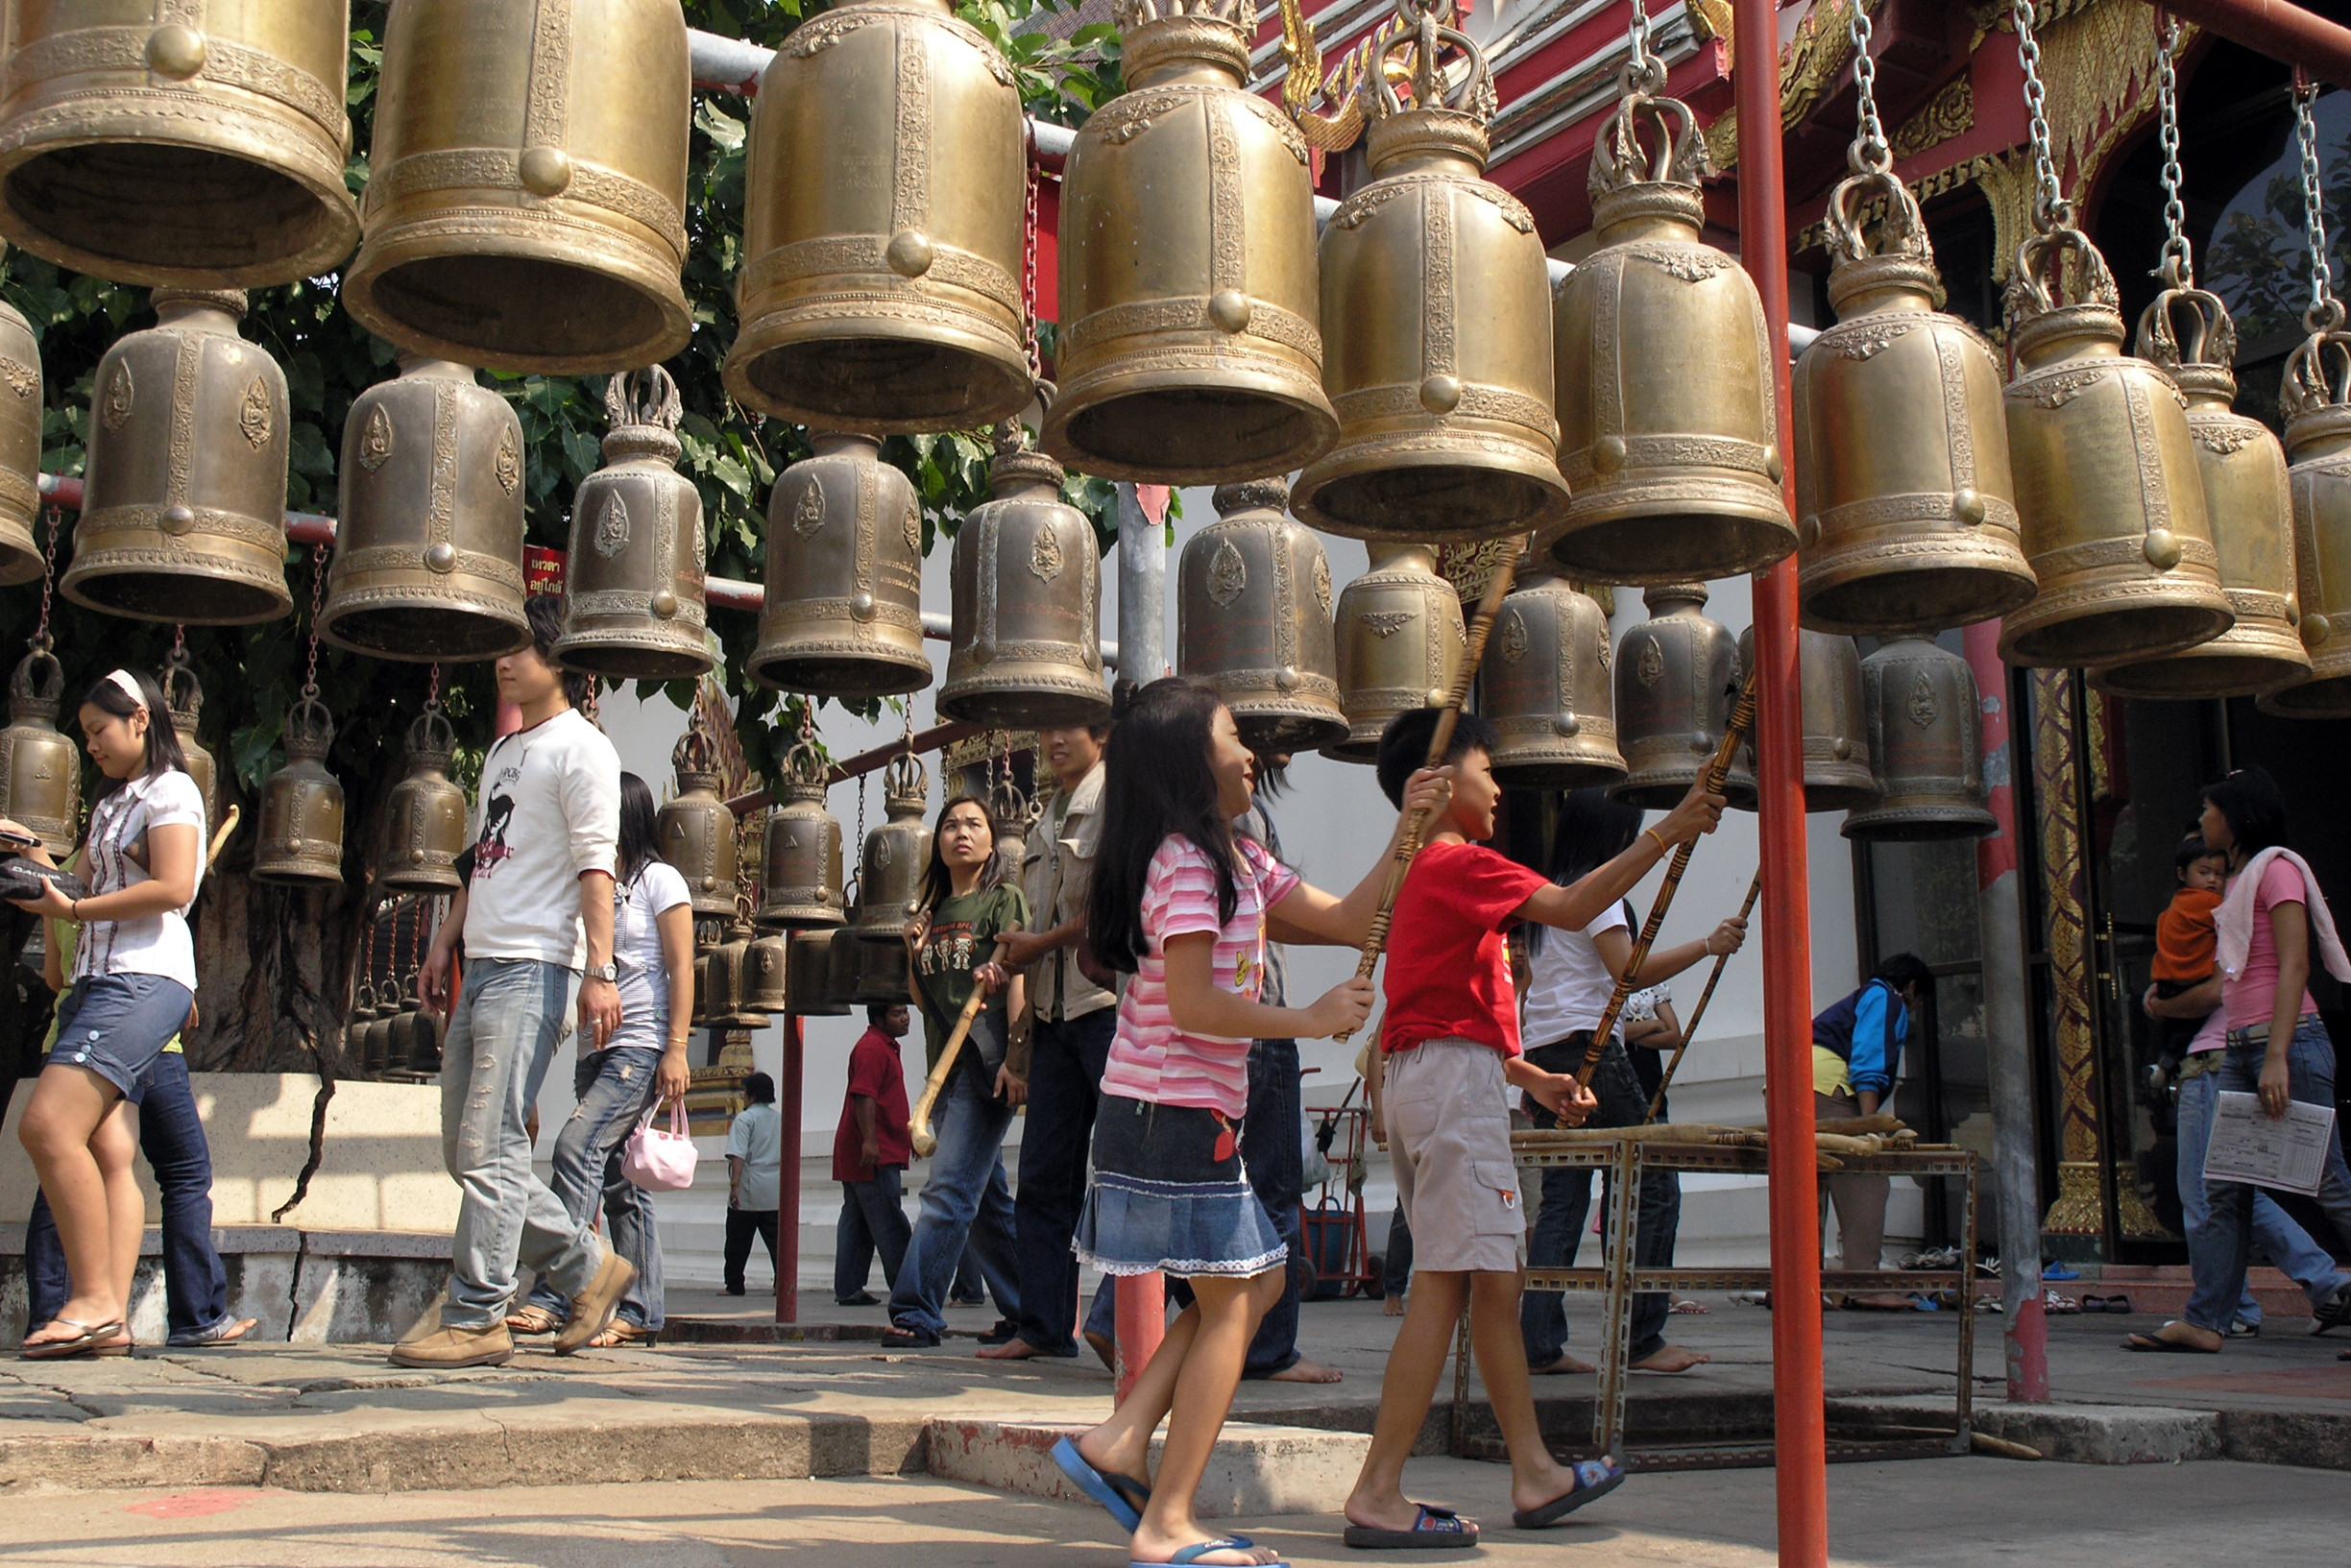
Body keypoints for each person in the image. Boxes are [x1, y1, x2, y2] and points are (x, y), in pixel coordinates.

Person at [1051, 677, 1446, 1568]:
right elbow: (1193, 1005)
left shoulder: (1235, 857)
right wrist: (1307, 1020)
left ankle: (1121, 1441)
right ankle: (1168, 1520)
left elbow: (1350, 918)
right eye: (1233, 735)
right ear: (1195, 761)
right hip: (1168, 1112)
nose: (1250, 752)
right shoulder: (1183, 864)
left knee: (1254, 1289)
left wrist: (1407, 827)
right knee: (1236, 1302)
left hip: (1187, 1115)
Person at [1344, 711, 1725, 1548]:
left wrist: (1533, 1077)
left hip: (1444, 1078)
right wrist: (1671, 829)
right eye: (1488, 769)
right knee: (1455, 1281)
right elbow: (1575, 901)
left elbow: (1444, 1012)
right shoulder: (1460, 862)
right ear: (1444, 783)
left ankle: (1534, 1468)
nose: (1499, 788)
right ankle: (1379, 1489)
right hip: (1449, 1088)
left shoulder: (1419, 875)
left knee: (1494, 1283)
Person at [395, 596, 634, 1367]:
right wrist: (444, 940)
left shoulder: (583, 749)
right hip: (486, 962)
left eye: (521, 648)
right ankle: (587, 1268)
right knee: (465, 1146)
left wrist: (600, 971)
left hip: (537, 967)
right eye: (501, 648)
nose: (505, 661)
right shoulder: (504, 751)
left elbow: (597, 868)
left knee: (490, 1140)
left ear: (560, 659)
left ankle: (478, 1312)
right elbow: (483, 860)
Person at [7, 670, 219, 1358]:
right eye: (85, 734)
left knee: (45, 1125)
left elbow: (173, 885)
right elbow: (86, 887)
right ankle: (112, 1320)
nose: (90, 744)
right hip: (100, 981)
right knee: (107, 1149)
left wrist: (73, 910)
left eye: (99, 730)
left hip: (141, 978)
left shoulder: (171, 790)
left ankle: (92, 1299)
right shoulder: (110, 803)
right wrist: (25, 851)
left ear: (138, 720)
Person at [1514, 787, 1742, 1381]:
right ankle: (1641, 1335)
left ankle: (1539, 1341)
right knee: (1653, 1178)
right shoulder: (1599, 890)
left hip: (1547, 1047)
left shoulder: (1551, 893)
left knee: (1565, 1197)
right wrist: (1707, 945)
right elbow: (1629, 974)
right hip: (1589, 1046)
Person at [2128, 767, 2351, 1353]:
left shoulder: (2277, 869)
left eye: (2210, 809)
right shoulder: (2239, 879)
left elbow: (2295, 965)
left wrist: (2276, 1055)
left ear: (2237, 815)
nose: (2202, 820)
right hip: (2240, 1048)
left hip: (2288, 1042)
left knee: (2329, 1183)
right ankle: (2207, 1321)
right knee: (2223, 1188)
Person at [22, 842, 257, 1351]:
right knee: (171, 1172)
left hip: (79, 1027)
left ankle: (61, 1313)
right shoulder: (135, 876)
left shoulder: (65, 878)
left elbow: (55, 976)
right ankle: (185, 1315)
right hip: (143, 1037)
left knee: (77, 1164)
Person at [509, 772, 692, 1346]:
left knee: (574, 1148)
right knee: (619, 1183)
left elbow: (681, 968)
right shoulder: (593, 883)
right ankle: (640, 1311)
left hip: (640, 1046)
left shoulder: (660, 880)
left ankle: (554, 1292)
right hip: (595, 1048)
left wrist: (678, 1048)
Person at [983, 721, 1116, 1361]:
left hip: (1107, 1007)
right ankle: (1042, 1324)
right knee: (1041, 1176)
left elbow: (1117, 912)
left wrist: (1039, 944)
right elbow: (1034, 925)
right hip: (1052, 1016)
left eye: (1072, 728)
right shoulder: (1040, 820)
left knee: (1125, 1168)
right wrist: (1012, 960)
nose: (1055, 740)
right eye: (1049, 729)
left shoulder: (1119, 803)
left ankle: (1126, 1320)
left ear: (1105, 734)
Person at [883, 796, 1030, 1349]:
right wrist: (912, 952)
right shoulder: (933, 913)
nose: (960, 834)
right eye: (950, 825)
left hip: (985, 1065)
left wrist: (1018, 1058)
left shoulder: (1001, 900)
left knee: (946, 1191)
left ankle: (916, 1310)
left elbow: (1017, 975)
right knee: (985, 1203)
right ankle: (1032, 1310)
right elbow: (923, 1000)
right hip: (942, 1068)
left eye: (974, 824)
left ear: (992, 841)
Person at [1812, 953, 1931, 1308]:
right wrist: (1869, 1126)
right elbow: (1869, 1056)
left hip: (1794, 1081)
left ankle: (1797, 1286)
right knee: (1866, 1179)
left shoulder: (1861, 998)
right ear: (1910, 988)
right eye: (1919, 1000)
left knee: (1809, 1187)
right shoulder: (1885, 997)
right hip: (1827, 1088)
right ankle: (1865, 1285)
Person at [835, 1003, 915, 1306]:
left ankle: (848, 1287)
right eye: (897, 1013)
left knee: (857, 1219)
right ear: (879, 1019)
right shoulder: (872, 1049)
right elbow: (864, 1095)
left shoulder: (883, 1047)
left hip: (872, 1145)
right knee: (888, 1219)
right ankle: (909, 1288)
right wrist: (870, 1140)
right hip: (873, 1149)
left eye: (905, 1011)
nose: (905, 1017)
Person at [2152, 834, 2230, 1080]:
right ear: (2182, 874)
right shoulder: (2211, 904)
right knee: (2188, 1029)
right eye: (2205, 872)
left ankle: (2161, 1067)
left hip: (2166, 983)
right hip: (2193, 982)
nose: (2212, 880)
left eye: (2219, 874)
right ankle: (2166, 1066)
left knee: (2173, 1032)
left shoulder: (2174, 906)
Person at [725, 1072, 784, 1296]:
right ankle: (782, 1281)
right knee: (777, 1241)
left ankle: (735, 1283)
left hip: (750, 1184)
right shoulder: (779, 1118)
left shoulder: (745, 1119)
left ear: (750, 1095)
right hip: (775, 1184)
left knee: (738, 1241)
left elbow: (738, 1155)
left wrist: (734, 1185)